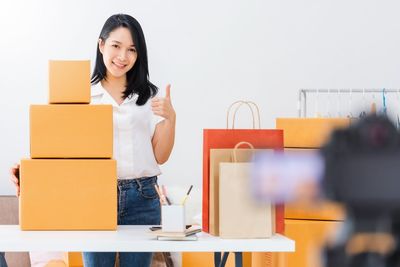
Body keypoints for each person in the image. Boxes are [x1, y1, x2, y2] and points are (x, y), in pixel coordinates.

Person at [10, 13, 176, 267]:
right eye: (116, 46)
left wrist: (170, 119)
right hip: (94, 194)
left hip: (143, 197)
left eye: (132, 49)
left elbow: (160, 156)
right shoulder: (82, 93)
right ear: (101, 45)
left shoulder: (149, 96)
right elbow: (59, 146)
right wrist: (29, 171)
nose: (123, 57)